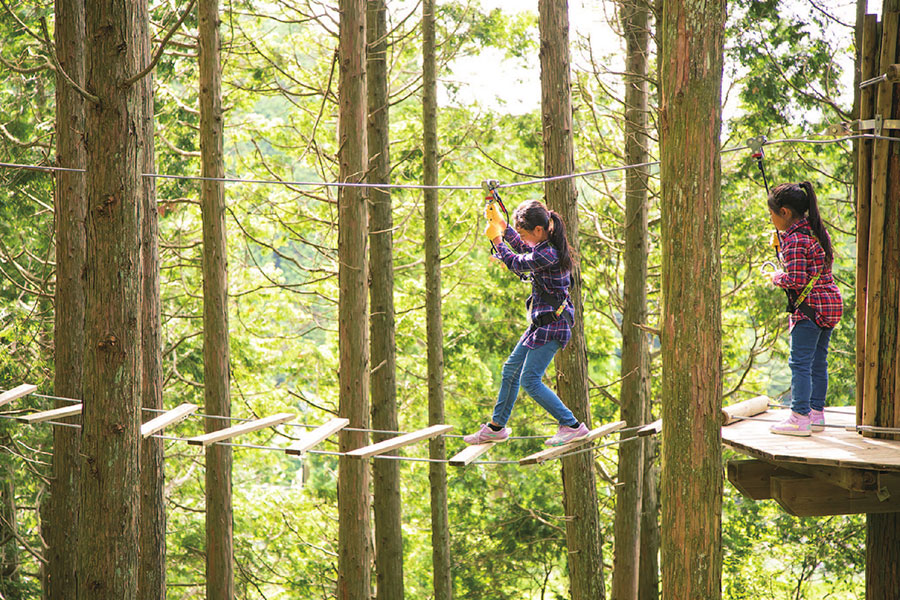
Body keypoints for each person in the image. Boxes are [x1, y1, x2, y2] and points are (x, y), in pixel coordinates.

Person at [463, 198, 590, 447]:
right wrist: (501, 224)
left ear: (539, 230)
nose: (522, 237)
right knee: (511, 370)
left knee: (530, 380)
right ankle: (496, 427)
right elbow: (522, 245)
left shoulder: (548, 254)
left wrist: (497, 241)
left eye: (524, 231)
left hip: (552, 326)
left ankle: (572, 425)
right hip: (540, 325)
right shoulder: (543, 245)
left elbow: (517, 261)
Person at [766, 182, 842, 437]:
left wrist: (777, 276)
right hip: (828, 304)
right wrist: (783, 246)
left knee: (799, 363)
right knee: (818, 362)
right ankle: (816, 413)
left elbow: (796, 280)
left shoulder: (796, 240)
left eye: (772, 214)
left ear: (785, 212)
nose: (772, 219)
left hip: (810, 309)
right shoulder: (815, 231)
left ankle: (799, 416)